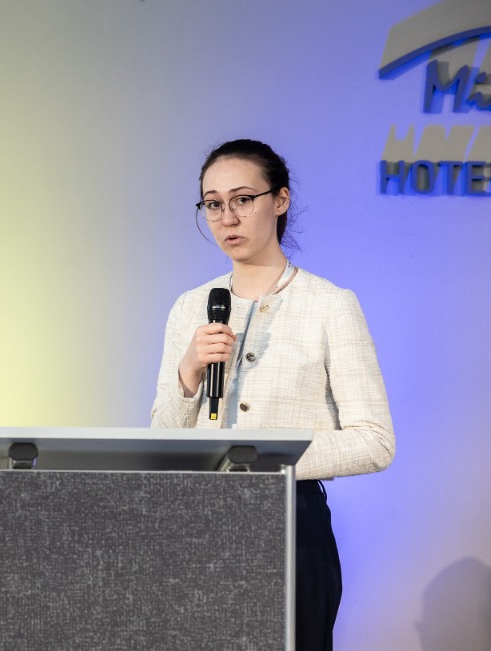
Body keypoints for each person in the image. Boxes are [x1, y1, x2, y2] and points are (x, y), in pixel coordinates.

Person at [150, 139, 395, 650]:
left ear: (280, 200)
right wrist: (188, 371)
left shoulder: (329, 305)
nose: (227, 217)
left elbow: (375, 441)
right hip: (200, 523)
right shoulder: (190, 307)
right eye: (213, 204)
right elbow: (163, 439)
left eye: (243, 199)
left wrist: (266, 457)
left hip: (292, 521)